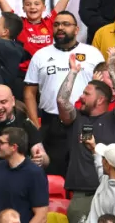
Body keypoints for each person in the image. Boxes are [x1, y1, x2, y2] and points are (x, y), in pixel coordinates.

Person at [57, 61, 115, 223]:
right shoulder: (76, 117)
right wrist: (72, 72)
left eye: (86, 93)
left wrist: (112, 70)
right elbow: (62, 101)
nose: (81, 97)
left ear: (100, 100)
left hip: (112, 192)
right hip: (82, 195)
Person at [22, 13, 105, 175]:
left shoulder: (93, 53)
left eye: (66, 24)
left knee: (85, 169)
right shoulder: (41, 55)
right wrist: (36, 125)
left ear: (76, 29)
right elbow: (29, 93)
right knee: (52, 173)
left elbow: (103, 88)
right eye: (57, 24)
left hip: (84, 121)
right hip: (51, 123)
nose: (60, 27)